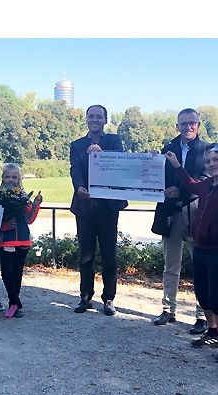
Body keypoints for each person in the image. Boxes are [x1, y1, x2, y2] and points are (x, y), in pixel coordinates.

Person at [165, 143, 218, 363]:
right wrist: (176, 165)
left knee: (217, 297)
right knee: (202, 294)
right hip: (201, 248)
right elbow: (190, 184)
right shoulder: (206, 184)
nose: (212, 164)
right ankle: (211, 330)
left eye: (217, 160)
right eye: (209, 161)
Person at [151, 108, 209, 333]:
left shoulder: (206, 150)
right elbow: (156, 178)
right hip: (171, 213)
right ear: (177, 126)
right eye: (183, 123)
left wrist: (182, 193)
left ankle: (202, 314)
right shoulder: (166, 150)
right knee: (170, 265)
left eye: (192, 123)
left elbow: (205, 181)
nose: (188, 127)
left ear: (198, 125)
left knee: (200, 266)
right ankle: (168, 309)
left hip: (196, 211)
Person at [70, 104, 127, 316]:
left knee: (109, 255)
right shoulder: (76, 145)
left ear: (105, 120)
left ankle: (109, 298)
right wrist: (79, 188)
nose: (95, 120)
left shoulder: (114, 141)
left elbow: (119, 164)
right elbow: (75, 169)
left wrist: (102, 155)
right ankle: (85, 296)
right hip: (85, 206)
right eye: (91, 116)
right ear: (86, 119)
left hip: (108, 207)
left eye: (99, 117)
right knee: (86, 254)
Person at [0, 163, 42, 318]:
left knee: (17, 273)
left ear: (19, 178)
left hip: (22, 239)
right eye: (8, 177)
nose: (11, 180)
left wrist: (36, 204)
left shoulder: (22, 196)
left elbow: (29, 219)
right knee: (7, 273)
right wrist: (5, 226)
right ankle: (15, 300)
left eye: (14, 177)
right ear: (3, 178)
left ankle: (13, 305)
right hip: (6, 240)